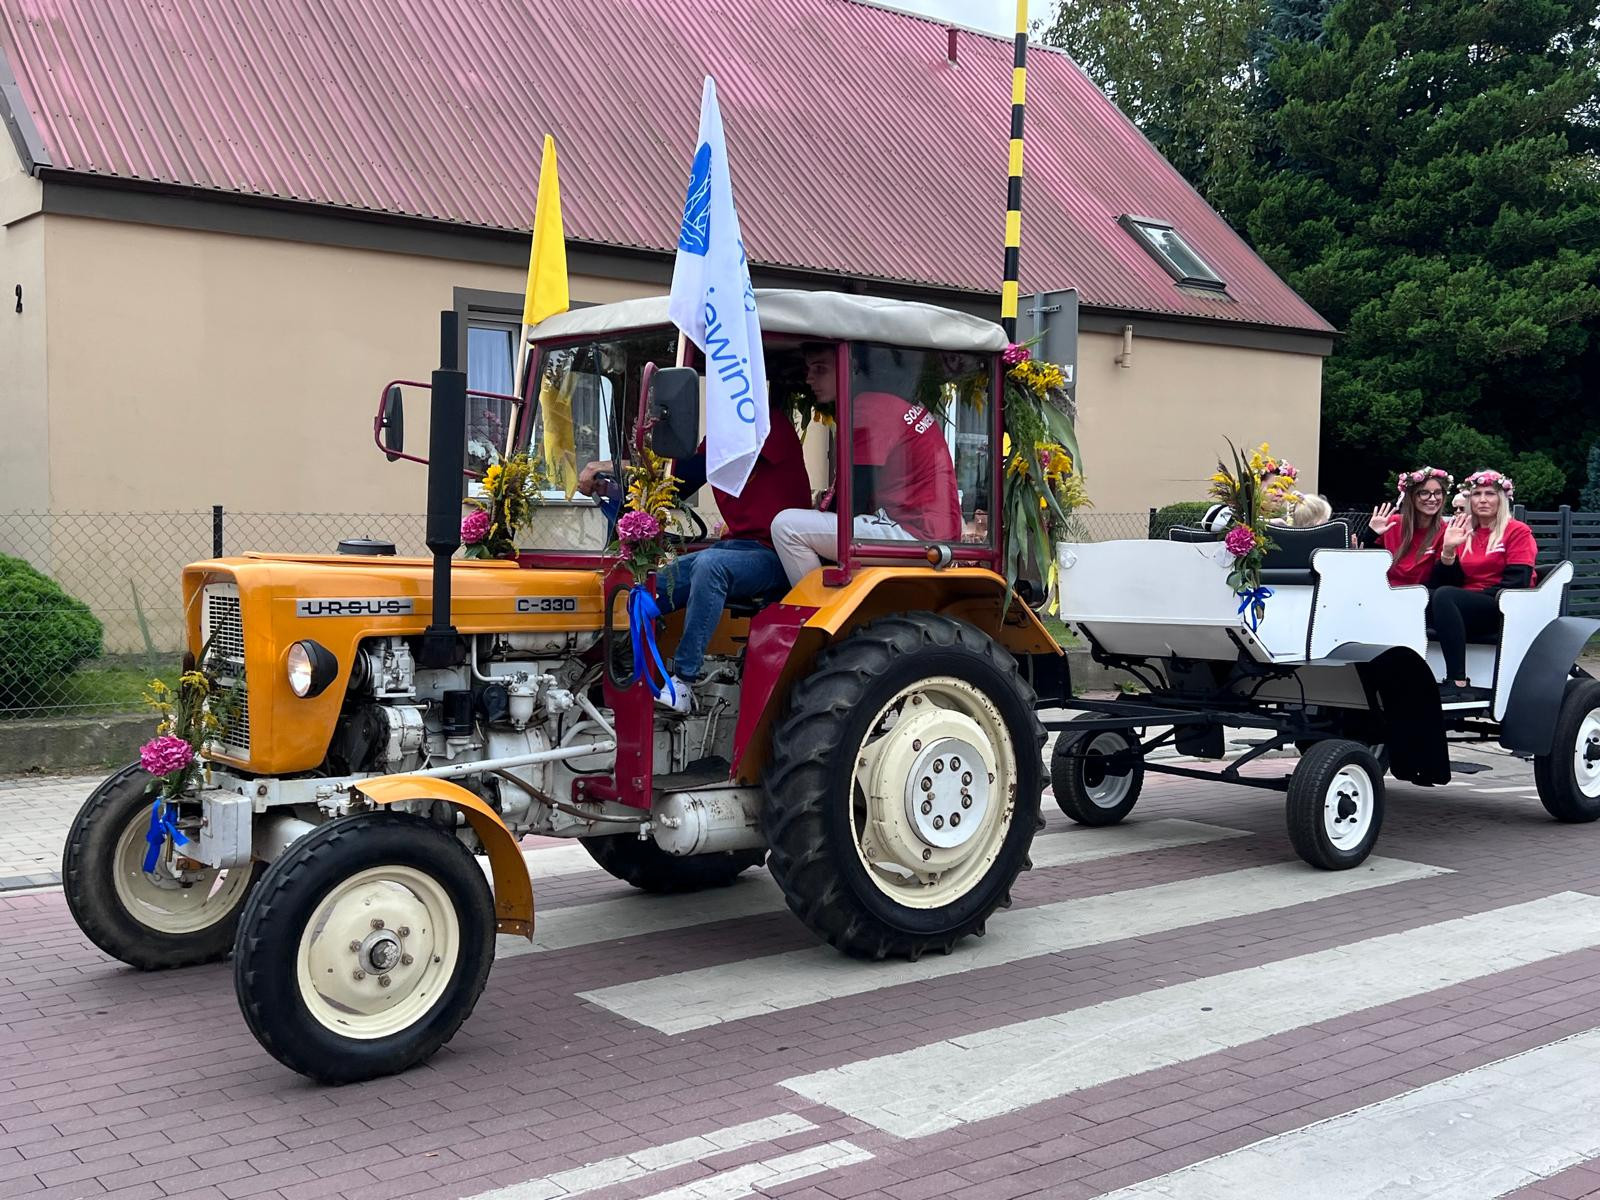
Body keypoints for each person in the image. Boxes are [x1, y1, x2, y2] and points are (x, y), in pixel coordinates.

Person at [577, 402, 811, 713]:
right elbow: (674, 482)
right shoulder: (719, 440)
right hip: (734, 548)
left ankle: (684, 681)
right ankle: (613, 675)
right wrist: (610, 486)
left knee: (710, 566)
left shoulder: (767, 425)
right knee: (642, 588)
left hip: (776, 553)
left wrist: (606, 465)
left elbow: (668, 473)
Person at [769, 344, 961, 586]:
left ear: (852, 368)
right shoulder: (894, 403)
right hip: (932, 533)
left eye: (820, 369)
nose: (809, 379)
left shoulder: (869, 407)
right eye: (809, 369)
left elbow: (853, 497)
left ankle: (815, 611)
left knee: (786, 527)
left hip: (912, 533)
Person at [1428, 470, 1537, 701]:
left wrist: (1466, 598)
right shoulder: (1463, 531)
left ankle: (1457, 680)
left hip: (1501, 605)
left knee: (1446, 597)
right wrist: (1447, 552)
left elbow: (1518, 582)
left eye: (1490, 493)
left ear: (1502, 499)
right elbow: (1446, 582)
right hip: (1463, 604)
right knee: (1419, 596)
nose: (1483, 499)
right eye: (1476, 494)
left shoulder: (1517, 531)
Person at [1361, 467, 1451, 587]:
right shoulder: (1392, 523)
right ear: (1411, 497)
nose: (1433, 498)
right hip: (1385, 591)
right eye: (1424, 493)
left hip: (1422, 595)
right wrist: (1371, 534)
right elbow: (1367, 564)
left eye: (1438, 493)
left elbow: (1441, 579)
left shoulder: (1445, 531)